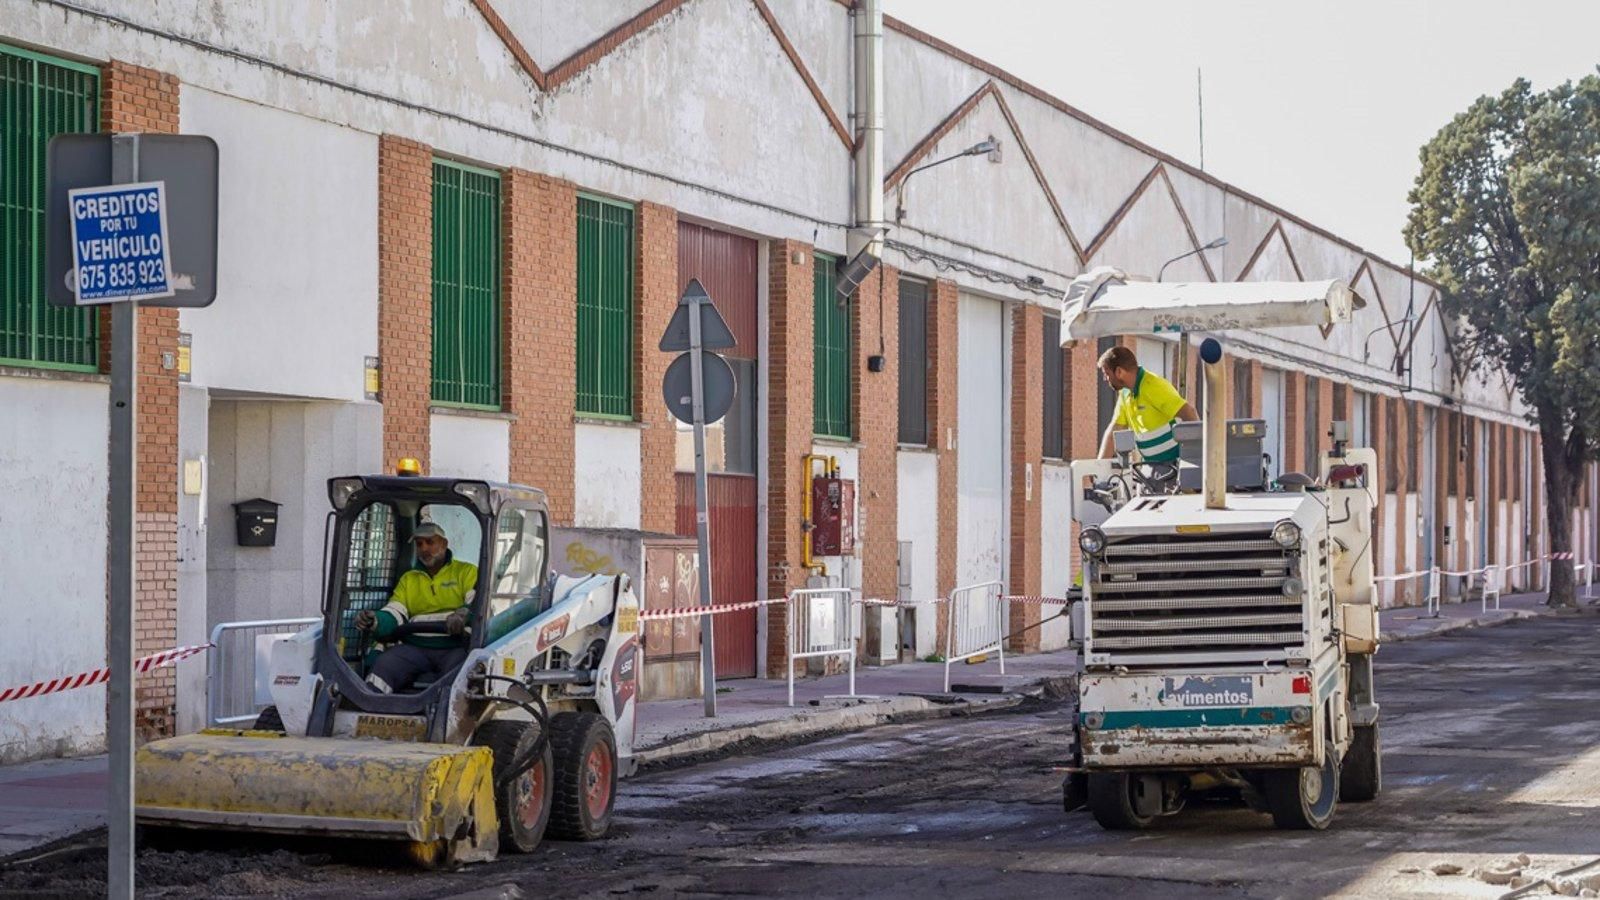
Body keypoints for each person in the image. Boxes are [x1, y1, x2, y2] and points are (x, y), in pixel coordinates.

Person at [356, 521, 479, 694]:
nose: (424, 548)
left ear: (444, 544)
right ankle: (371, 711)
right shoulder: (409, 579)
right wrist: (375, 620)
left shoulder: (466, 572)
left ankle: (442, 716)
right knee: (385, 664)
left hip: (454, 647)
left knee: (460, 674)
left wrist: (463, 613)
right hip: (414, 648)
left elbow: (477, 604)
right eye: (419, 544)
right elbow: (395, 612)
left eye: (430, 542)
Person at [1096, 345, 1199, 463]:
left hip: (1175, 466)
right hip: (1151, 468)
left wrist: (1197, 457)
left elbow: (1189, 412)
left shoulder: (1153, 386)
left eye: (1107, 373)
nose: (1105, 378)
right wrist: (1099, 466)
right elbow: (1115, 429)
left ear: (1119, 371)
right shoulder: (1125, 393)